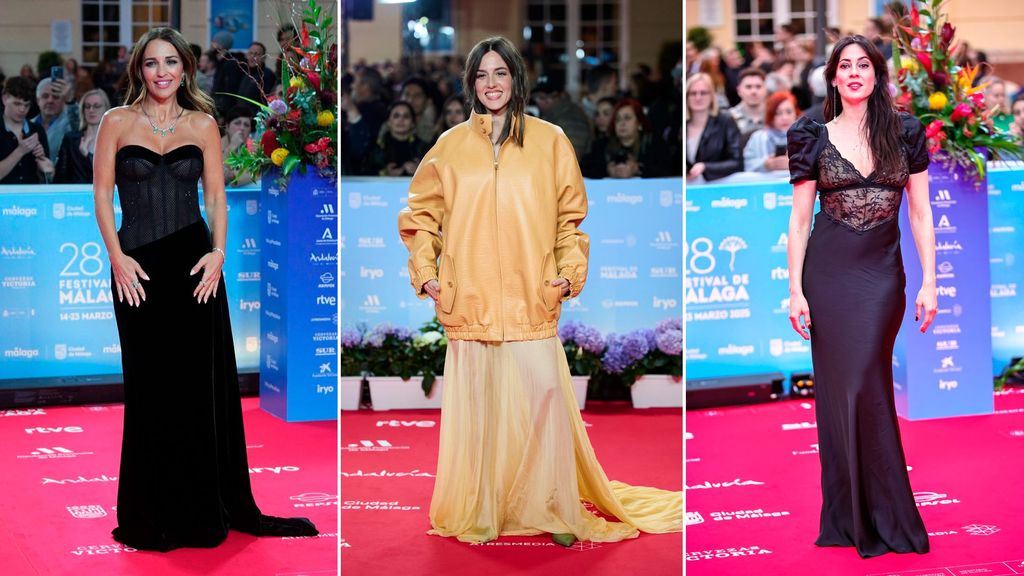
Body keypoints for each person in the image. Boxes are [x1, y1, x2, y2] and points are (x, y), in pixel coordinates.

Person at [397, 35, 681, 548]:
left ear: (516, 79)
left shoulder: (551, 141)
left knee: (543, 403)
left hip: (534, 295)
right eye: (481, 75)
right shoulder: (449, 147)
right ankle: (481, 508)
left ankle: (550, 505)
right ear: (470, 83)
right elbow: (420, 220)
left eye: (500, 73)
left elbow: (570, 222)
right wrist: (427, 273)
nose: (491, 84)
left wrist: (568, 275)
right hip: (472, 298)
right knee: (481, 412)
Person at [91, 27, 318, 552]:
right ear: (138, 71)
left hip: (196, 268)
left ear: (186, 68)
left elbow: (216, 198)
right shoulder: (116, 122)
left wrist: (218, 255)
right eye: (152, 63)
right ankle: (153, 511)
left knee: (197, 390)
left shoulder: (203, 123)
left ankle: (199, 509)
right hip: (137, 270)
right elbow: (102, 195)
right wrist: (116, 256)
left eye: (171, 61)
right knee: (151, 388)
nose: (162, 71)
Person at [786, 34, 934, 558]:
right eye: (844, 65)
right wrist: (795, 291)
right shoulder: (809, 134)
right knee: (842, 393)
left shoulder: (907, 131)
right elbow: (801, 218)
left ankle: (885, 512)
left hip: (881, 276)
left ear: (877, 75)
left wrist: (931, 281)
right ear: (832, 77)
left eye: (863, 65)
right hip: (827, 275)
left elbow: (919, 211)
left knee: (867, 381)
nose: (853, 72)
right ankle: (852, 516)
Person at [582, 98, 669, 179]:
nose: (622, 123)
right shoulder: (601, 146)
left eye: (627, 118)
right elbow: (583, 170)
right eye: (618, 119)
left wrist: (638, 169)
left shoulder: (653, 144)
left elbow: (668, 172)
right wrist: (607, 170)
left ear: (639, 124)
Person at [686, 72, 742, 182]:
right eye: (693, 93)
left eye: (703, 93)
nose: (698, 97)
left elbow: (737, 162)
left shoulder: (726, 121)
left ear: (712, 96)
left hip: (717, 185)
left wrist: (705, 167)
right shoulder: (680, 127)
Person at [0, 76, 53, 184]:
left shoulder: (37, 130)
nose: (22, 110)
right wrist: (20, 151)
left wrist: (45, 166)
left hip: (30, 198)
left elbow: (46, 179)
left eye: (27, 105)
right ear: (5, 99)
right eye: (17, 104)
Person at [533, 71, 593, 160]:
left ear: (562, 95)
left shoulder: (572, 119)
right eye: (539, 97)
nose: (544, 101)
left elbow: (572, 156)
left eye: (549, 96)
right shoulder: (547, 116)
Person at [55, 88, 110, 183]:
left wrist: (87, 156)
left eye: (96, 106)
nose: (91, 110)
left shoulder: (113, 141)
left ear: (106, 109)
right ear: (83, 110)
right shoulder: (70, 139)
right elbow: (60, 177)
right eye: (87, 106)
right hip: (75, 195)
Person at [364, 100, 429, 176]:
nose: (401, 120)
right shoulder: (376, 146)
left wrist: (420, 170)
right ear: (388, 122)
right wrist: (385, 173)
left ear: (413, 123)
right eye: (396, 116)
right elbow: (364, 172)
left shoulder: (424, 147)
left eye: (406, 116)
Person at [743, 90, 799, 173]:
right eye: (778, 113)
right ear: (770, 116)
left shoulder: (807, 138)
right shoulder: (758, 138)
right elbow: (746, 165)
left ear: (796, 113)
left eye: (789, 112)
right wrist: (766, 164)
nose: (784, 117)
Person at [33, 77, 79, 164]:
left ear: (63, 100)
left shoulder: (70, 123)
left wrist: (71, 100)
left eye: (56, 96)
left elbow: (79, 125)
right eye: (45, 96)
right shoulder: (28, 125)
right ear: (38, 100)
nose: (50, 100)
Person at [729, 68, 767, 147]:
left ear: (765, 89)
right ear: (739, 90)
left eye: (758, 86)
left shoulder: (775, 115)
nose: (754, 91)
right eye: (748, 87)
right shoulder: (729, 118)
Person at [220, 105, 254, 185]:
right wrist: (232, 147)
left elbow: (257, 175)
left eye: (246, 125)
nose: (242, 128)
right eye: (237, 123)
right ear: (227, 127)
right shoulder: (215, 146)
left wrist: (234, 178)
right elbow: (217, 176)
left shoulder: (254, 149)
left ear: (250, 131)